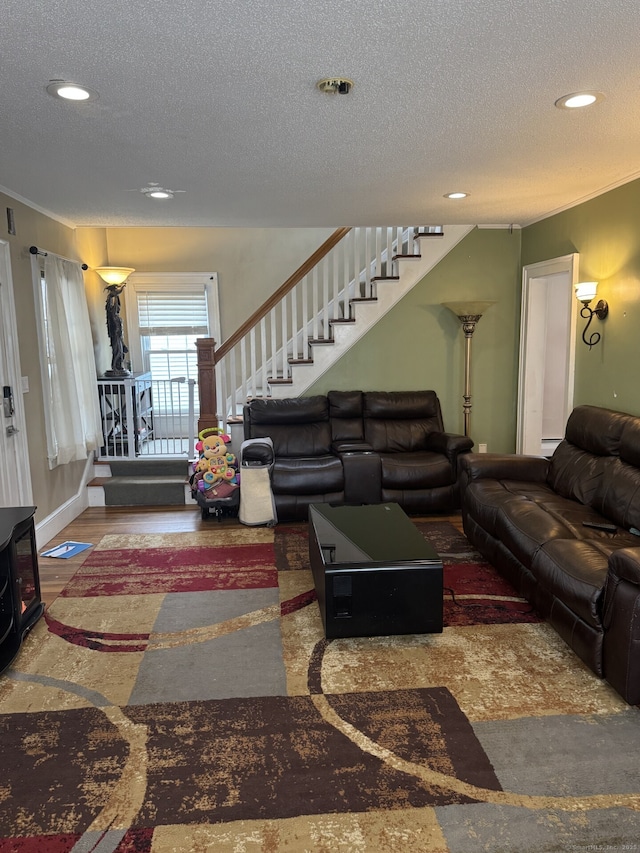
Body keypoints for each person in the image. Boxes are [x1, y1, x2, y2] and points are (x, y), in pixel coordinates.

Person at [105, 284, 130, 375]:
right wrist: (112, 296)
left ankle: (119, 366)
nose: (118, 309)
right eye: (116, 308)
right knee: (117, 352)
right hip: (115, 336)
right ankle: (116, 367)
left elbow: (117, 304)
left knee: (122, 352)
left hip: (119, 337)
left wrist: (117, 296)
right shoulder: (112, 317)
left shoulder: (117, 318)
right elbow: (110, 307)